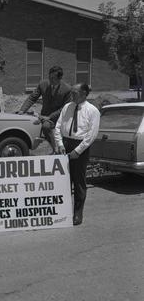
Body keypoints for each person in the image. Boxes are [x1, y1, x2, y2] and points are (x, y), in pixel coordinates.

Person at [54, 83, 100, 226]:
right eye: (72, 92)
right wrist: (60, 144)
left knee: (78, 181)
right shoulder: (67, 107)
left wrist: (77, 151)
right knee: (63, 181)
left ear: (84, 93)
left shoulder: (92, 111)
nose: (72, 95)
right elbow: (57, 127)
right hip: (65, 144)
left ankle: (77, 213)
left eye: (75, 93)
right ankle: (63, 212)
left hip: (80, 146)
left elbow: (91, 135)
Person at [17, 66, 71, 153]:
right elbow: (32, 98)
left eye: (53, 78)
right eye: (49, 77)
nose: (50, 80)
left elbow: (64, 108)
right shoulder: (43, 84)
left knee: (46, 126)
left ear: (60, 78)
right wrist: (22, 110)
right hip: (44, 114)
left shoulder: (67, 89)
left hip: (58, 117)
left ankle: (55, 149)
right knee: (30, 122)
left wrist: (50, 117)